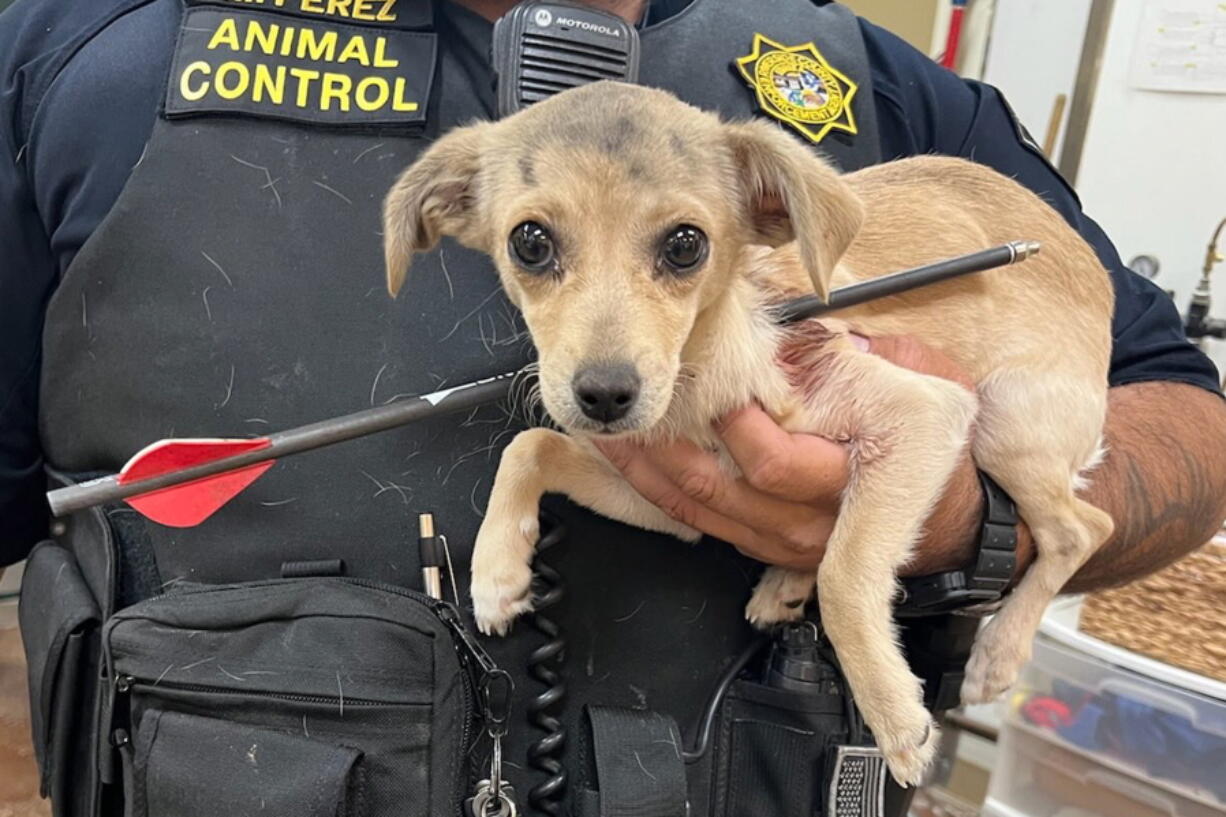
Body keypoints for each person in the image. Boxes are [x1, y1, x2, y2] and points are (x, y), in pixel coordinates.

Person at [2, 0, 1223, 815]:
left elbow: (1184, 410)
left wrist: (968, 518)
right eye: (533, 245)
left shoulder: (865, 81)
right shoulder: (81, 56)